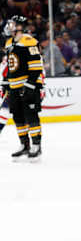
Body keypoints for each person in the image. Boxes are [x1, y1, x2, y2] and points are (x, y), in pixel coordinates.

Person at [3, 15, 45, 160]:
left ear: (20, 26)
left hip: (28, 86)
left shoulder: (29, 42)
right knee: (17, 116)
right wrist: (5, 82)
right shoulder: (9, 43)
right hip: (14, 87)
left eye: (13, 24)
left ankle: (36, 145)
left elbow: (36, 66)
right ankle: (24, 144)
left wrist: (30, 85)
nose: (9, 26)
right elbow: (10, 66)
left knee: (31, 115)